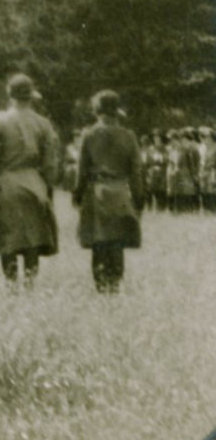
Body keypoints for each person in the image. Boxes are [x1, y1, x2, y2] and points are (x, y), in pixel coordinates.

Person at [0, 73, 61, 289]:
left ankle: (11, 285)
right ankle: (30, 283)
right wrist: (47, 187)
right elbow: (50, 163)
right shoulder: (43, 123)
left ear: (10, 95)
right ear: (31, 97)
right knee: (32, 238)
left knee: (8, 237)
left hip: (6, 182)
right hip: (34, 182)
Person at [74, 90, 144, 294]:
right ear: (116, 111)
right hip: (121, 191)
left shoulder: (89, 134)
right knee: (117, 242)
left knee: (99, 242)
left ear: (97, 110)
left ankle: (101, 287)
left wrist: (78, 195)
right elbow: (136, 172)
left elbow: (82, 170)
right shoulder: (128, 136)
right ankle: (114, 286)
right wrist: (139, 200)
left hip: (97, 191)